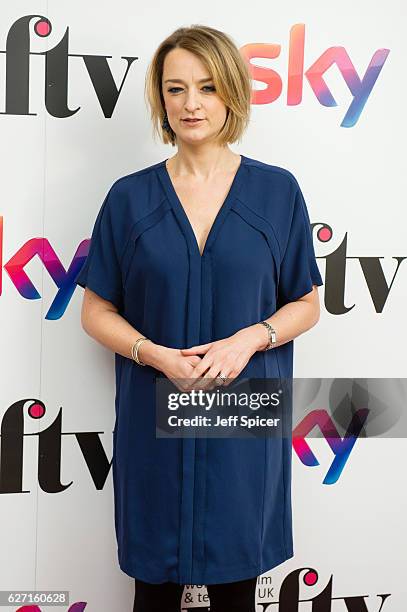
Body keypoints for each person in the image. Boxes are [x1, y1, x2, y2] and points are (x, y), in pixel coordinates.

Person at [74, 24, 323, 612]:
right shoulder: (129, 198)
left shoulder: (277, 192)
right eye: (176, 88)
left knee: (238, 586)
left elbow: (307, 303)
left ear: (231, 93)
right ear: (160, 98)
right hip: (153, 411)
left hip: (243, 413)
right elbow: (95, 310)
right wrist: (153, 354)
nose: (191, 103)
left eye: (207, 88)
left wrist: (251, 340)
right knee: (153, 591)